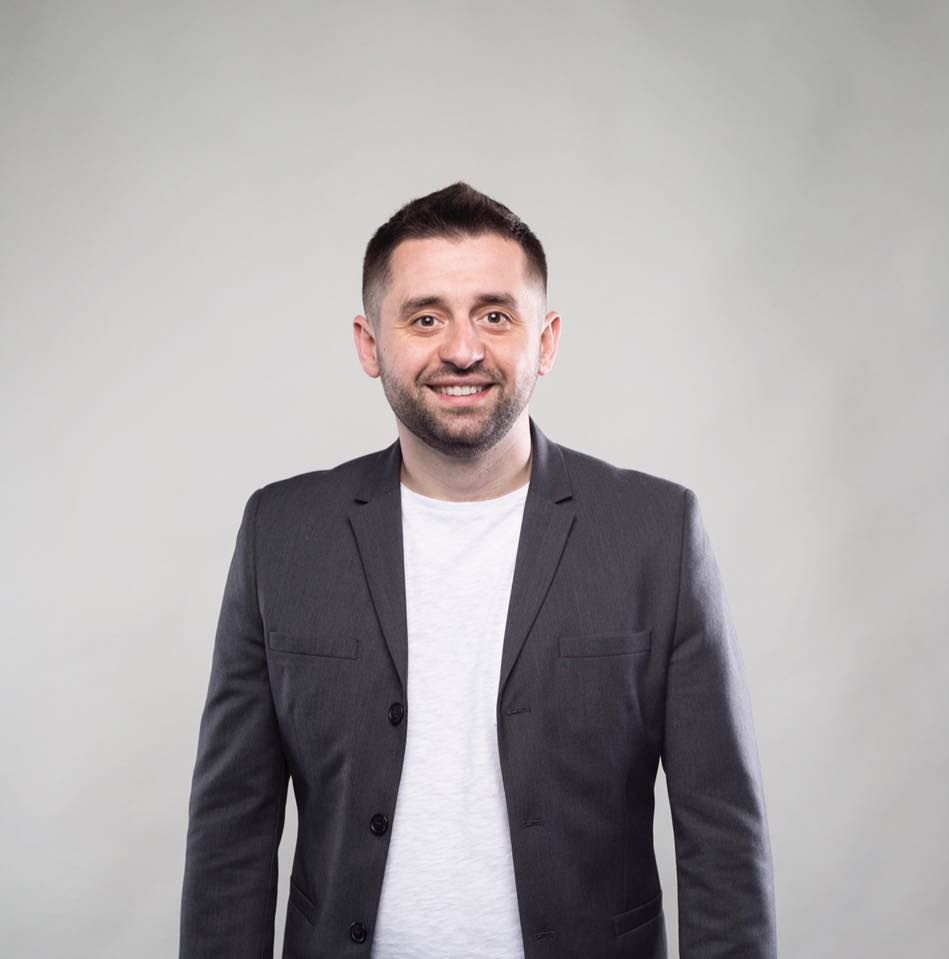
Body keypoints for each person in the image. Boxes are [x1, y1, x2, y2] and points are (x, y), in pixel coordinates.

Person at [179, 182, 777, 959]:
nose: (462, 349)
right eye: (425, 318)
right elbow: (231, 830)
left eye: (495, 315)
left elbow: (721, 837)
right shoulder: (282, 533)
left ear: (546, 340)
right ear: (369, 343)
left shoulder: (654, 533)